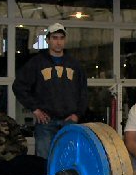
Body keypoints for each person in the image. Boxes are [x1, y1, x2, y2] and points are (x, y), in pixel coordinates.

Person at [13, 23, 88, 159]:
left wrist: (77, 114)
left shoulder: (75, 65)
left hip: (69, 121)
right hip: (45, 123)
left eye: (61, 38)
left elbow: (83, 91)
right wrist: (35, 109)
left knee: (69, 159)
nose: (58, 42)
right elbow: (19, 86)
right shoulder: (36, 63)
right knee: (43, 161)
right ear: (47, 40)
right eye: (54, 38)